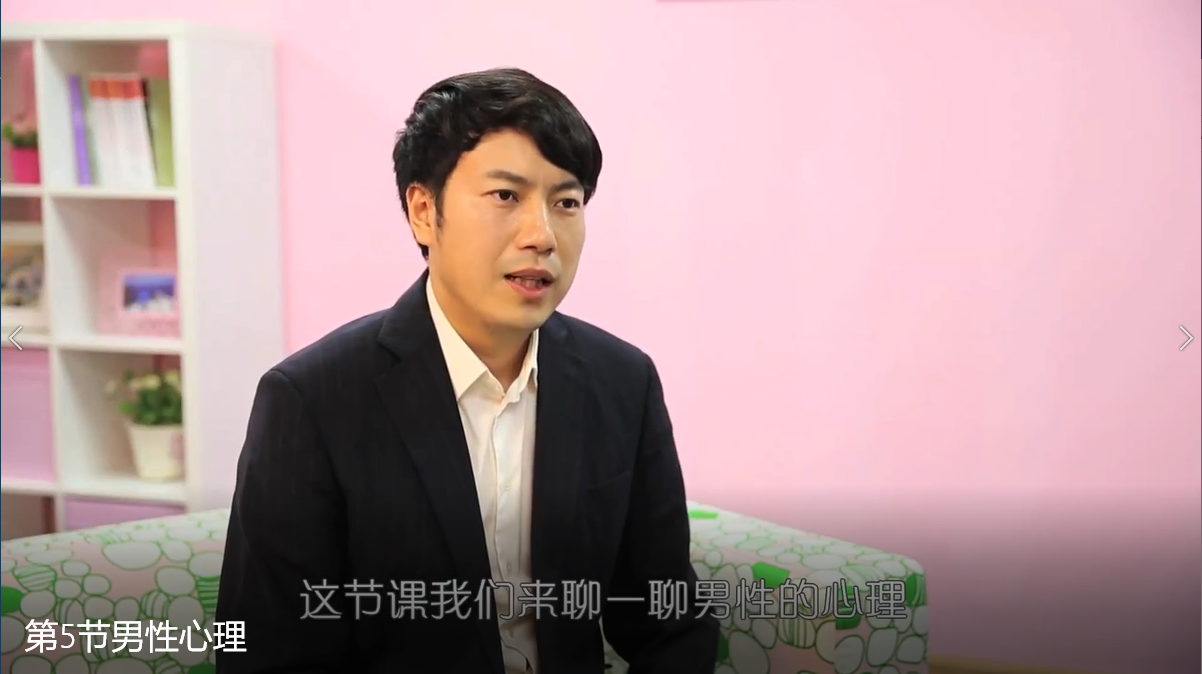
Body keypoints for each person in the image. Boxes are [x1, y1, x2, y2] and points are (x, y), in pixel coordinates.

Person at [215, 67, 719, 673]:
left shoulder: (623, 382)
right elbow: (267, 652)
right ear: (424, 211)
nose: (542, 236)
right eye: (506, 196)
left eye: (566, 203)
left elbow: (669, 621)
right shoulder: (312, 401)